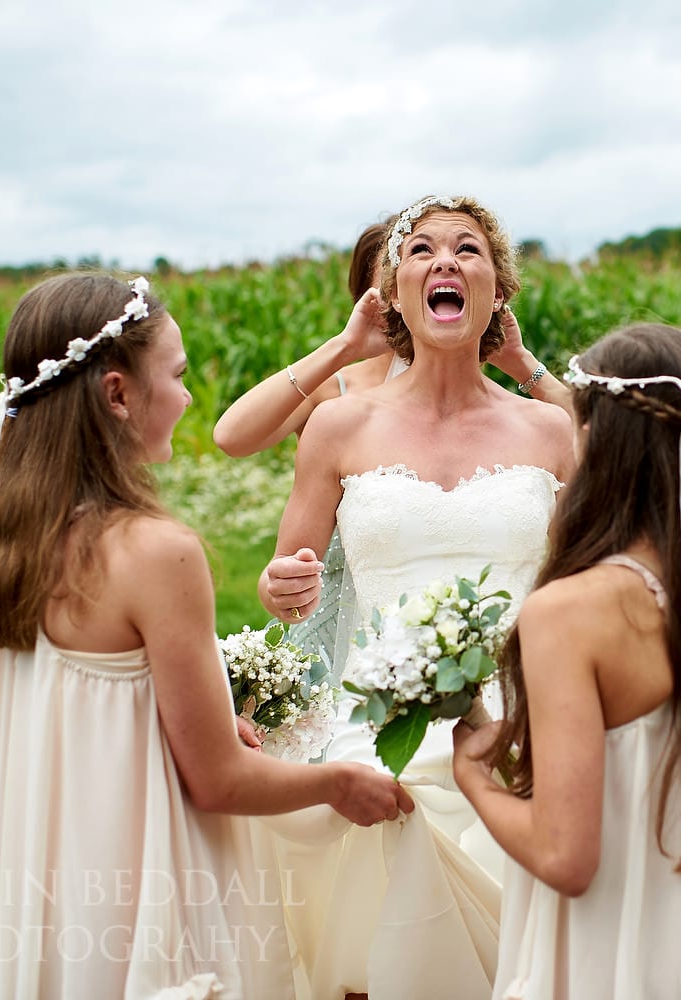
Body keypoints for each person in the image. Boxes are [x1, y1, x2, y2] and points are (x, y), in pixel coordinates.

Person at [0, 272, 412, 999]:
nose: (188, 397)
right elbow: (217, 780)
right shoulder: (157, 553)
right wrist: (339, 782)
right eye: (179, 376)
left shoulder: (5, 540)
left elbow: (85, 709)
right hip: (135, 873)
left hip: (41, 857)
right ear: (120, 394)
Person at [451, 322, 681, 999]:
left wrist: (475, 777)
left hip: (613, 958)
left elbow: (566, 858)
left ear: (600, 442)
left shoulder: (568, 614)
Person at [255, 194, 574, 999]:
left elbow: (638, 480)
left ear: (497, 291)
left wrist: (529, 368)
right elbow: (293, 589)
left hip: (520, 714)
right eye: (421, 250)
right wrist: (278, 584)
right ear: (390, 293)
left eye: (468, 251)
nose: (445, 263)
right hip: (376, 716)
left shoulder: (549, 430)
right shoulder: (339, 427)